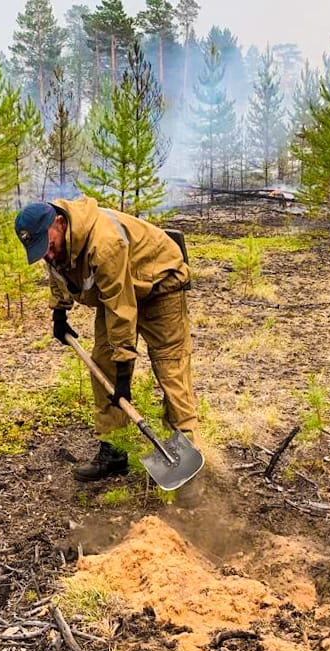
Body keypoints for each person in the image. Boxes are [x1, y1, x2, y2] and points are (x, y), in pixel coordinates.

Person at [15, 197, 198, 482]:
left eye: (48, 247)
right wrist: (59, 311)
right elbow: (58, 272)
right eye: (41, 251)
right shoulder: (55, 243)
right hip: (115, 292)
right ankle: (115, 450)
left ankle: (186, 451)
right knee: (103, 363)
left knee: (169, 366)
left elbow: (120, 308)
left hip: (161, 285)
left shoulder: (104, 242)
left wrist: (124, 368)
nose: (47, 255)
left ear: (60, 224)